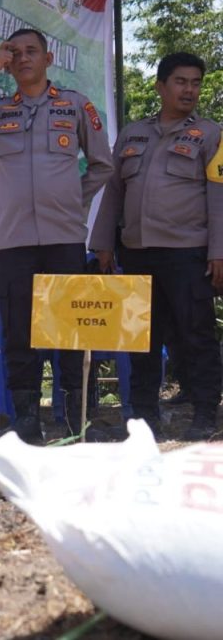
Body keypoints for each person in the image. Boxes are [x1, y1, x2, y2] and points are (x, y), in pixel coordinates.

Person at [0, 28, 114, 444]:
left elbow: (102, 164)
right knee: (20, 330)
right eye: (15, 53)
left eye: (31, 52)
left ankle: (77, 416)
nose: (23, 59)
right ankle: (27, 419)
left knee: (71, 327)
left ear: (48, 57)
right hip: (14, 239)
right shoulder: (0, 109)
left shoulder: (75, 105)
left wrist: (75, 200)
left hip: (64, 236)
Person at [90, 52, 223, 442]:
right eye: (181, 81)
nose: (190, 90)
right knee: (141, 338)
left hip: (189, 254)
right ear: (160, 86)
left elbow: (219, 197)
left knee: (196, 336)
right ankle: (145, 419)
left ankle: (205, 412)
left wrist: (219, 251)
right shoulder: (132, 134)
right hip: (136, 253)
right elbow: (113, 193)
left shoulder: (212, 134)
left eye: (196, 82)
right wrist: (102, 243)